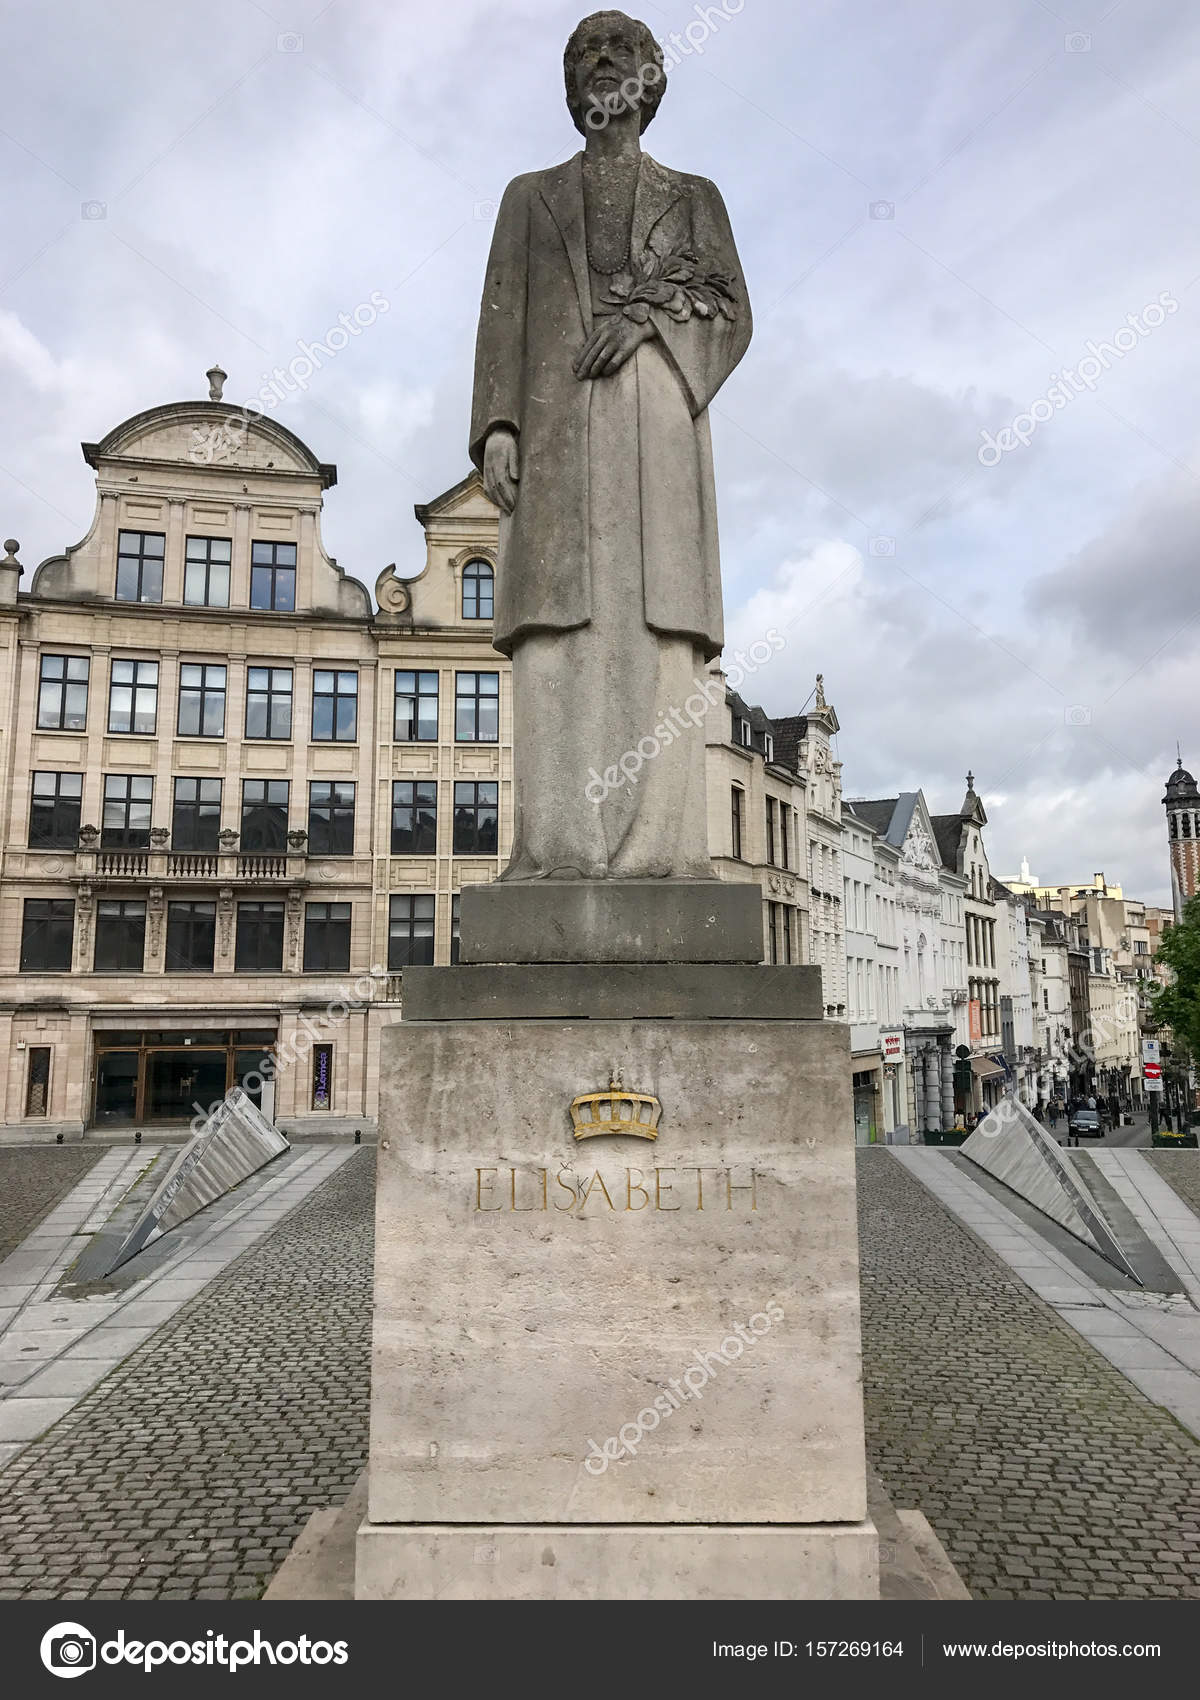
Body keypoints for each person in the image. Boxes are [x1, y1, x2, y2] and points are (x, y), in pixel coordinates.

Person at [472, 10, 752, 880]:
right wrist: (498, 425)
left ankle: (663, 856)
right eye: (585, 53)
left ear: (651, 77)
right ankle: (556, 851)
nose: (602, 64)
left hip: (658, 437)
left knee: (655, 626)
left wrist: (647, 323)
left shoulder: (695, 196)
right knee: (557, 629)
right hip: (556, 436)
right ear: (569, 85)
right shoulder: (529, 194)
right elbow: (500, 313)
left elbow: (732, 312)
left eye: (619, 51)